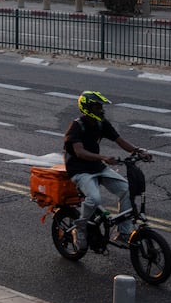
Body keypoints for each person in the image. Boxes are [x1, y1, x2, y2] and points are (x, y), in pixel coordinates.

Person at [63, 91, 148, 241]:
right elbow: (80, 152)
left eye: (101, 107)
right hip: (79, 170)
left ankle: (124, 232)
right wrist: (103, 157)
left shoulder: (101, 124)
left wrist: (137, 150)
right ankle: (81, 227)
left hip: (97, 166)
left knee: (127, 190)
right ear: (87, 108)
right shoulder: (77, 126)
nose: (101, 110)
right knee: (94, 199)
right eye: (97, 107)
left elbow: (119, 140)